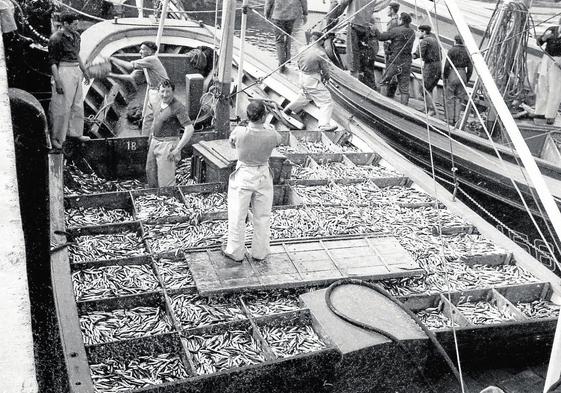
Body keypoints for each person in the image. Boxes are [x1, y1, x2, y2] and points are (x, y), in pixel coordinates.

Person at [223, 100, 282, 263]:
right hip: (263, 173)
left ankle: (235, 252)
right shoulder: (271, 133)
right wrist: (268, 127)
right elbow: (279, 139)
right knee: (262, 215)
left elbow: (232, 143)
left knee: (237, 214)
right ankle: (260, 252)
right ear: (263, 117)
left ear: (248, 116)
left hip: (244, 173)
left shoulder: (239, 131)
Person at [48, 11, 91, 150]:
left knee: (77, 103)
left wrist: (84, 71)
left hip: (75, 70)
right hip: (63, 70)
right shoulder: (56, 38)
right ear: (65, 24)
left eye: (77, 24)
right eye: (74, 24)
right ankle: (57, 138)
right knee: (62, 106)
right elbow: (53, 62)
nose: (76, 27)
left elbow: (76, 55)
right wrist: (58, 81)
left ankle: (75, 133)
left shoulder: (76, 36)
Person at [109, 41, 169, 135]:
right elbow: (131, 77)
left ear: (150, 51)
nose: (140, 51)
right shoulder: (145, 62)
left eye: (143, 49)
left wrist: (112, 59)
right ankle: (144, 139)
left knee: (157, 119)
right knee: (148, 118)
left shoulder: (151, 59)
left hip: (161, 92)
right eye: (140, 49)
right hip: (153, 91)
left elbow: (129, 66)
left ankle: (157, 140)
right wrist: (111, 74)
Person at [145, 80, 194, 188]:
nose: (165, 95)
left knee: (166, 182)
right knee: (150, 172)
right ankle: (155, 199)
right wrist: (150, 137)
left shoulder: (178, 107)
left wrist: (177, 149)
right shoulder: (158, 102)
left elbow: (189, 129)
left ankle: (167, 201)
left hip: (167, 145)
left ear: (173, 92)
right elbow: (155, 120)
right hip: (154, 141)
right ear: (158, 91)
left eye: (168, 92)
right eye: (162, 91)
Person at [283, 31, 336, 131]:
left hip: (302, 76)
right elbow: (325, 70)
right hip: (312, 79)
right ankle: (324, 125)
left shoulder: (302, 49)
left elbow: (298, 63)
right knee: (326, 101)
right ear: (321, 42)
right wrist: (327, 79)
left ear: (312, 39)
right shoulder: (320, 54)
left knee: (307, 95)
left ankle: (290, 108)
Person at [328, 0, 379, 79]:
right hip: (366, 26)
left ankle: (354, 78)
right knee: (364, 57)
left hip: (354, 24)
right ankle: (363, 79)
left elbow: (343, 4)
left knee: (352, 55)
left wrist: (331, 21)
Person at [375, 12, 415, 105]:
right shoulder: (412, 32)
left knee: (384, 82)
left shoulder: (396, 30)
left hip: (395, 61)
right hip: (406, 62)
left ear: (401, 20)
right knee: (404, 89)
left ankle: (381, 103)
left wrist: (375, 29)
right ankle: (404, 109)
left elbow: (381, 37)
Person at [265, 0, 308, 73]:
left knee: (279, 41)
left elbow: (269, 2)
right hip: (291, 16)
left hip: (278, 16)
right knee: (288, 36)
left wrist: (266, 14)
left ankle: (282, 65)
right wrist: (305, 14)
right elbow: (304, 1)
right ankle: (288, 59)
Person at [533, 18, 561, 125]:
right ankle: (540, 111)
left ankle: (550, 115)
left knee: (555, 88)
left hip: (558, 60)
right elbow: (538, 42)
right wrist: (545, 37)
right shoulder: (551, 30)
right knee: (542, 84)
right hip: (547, 57)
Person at [443, 35, 473, 126]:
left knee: (450, 98)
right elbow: (470, 68)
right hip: (463, 73)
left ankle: (450, 119)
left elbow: (447, 65)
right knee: (459, 99)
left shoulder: (452, 50)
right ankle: (457, 120)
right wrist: (467, 78)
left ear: (455, 41)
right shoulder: (467, 52)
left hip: (453, 73)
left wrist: (445, 76)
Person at [413, 25, 441, 116]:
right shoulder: (434, 40)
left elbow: (418, 53)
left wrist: (409, 57)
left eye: (419, 31)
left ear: (423, 32)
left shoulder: (425, 41)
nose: (417, 33)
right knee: (429, 88)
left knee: (423, 88)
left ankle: (431, 109)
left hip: (430, 66)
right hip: (438, 65)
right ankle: (427, 107)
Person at [384, 2, 400, 66]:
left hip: (389, 48)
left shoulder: (394, 22)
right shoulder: (396, 20)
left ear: (392, 10)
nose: (387, 11)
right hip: (391, 47)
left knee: (389, 67)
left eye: (388, 9)